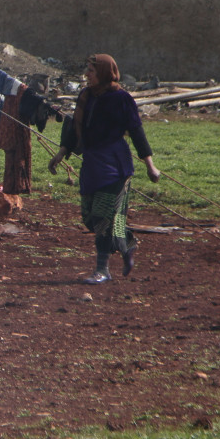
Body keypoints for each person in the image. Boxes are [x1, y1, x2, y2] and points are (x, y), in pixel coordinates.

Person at [48, 54, 161, 284]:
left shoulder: (121, 99)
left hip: (114, 166)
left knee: (102, 216)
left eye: (91, 70)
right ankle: (126, 243)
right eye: (87, 70)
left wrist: (150, 165)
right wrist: (61, 153)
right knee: (91, 217)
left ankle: (102, 270)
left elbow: (137, 132)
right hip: (91, 165)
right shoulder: (86, 96)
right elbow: (75, 128)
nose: (87, 74)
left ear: (104, 73)